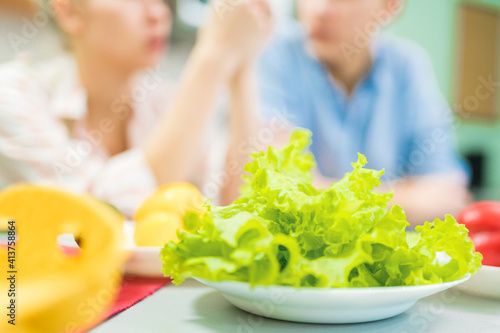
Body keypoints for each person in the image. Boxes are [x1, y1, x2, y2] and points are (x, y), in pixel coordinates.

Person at [0, 0, 273, 217]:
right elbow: (98, 210)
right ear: (69, 12)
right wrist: (212, 56)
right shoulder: (13, 95)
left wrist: (243, 57)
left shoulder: (162, 100)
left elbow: (236, 206)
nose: (158, 13)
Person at [257, 0, 470, 226]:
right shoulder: (271, 52)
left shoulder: (409, 66)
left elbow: (447, 196)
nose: (318, 9)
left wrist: (321, 191)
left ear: (389, 6)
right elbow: (279, 190)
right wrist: (403, 197)